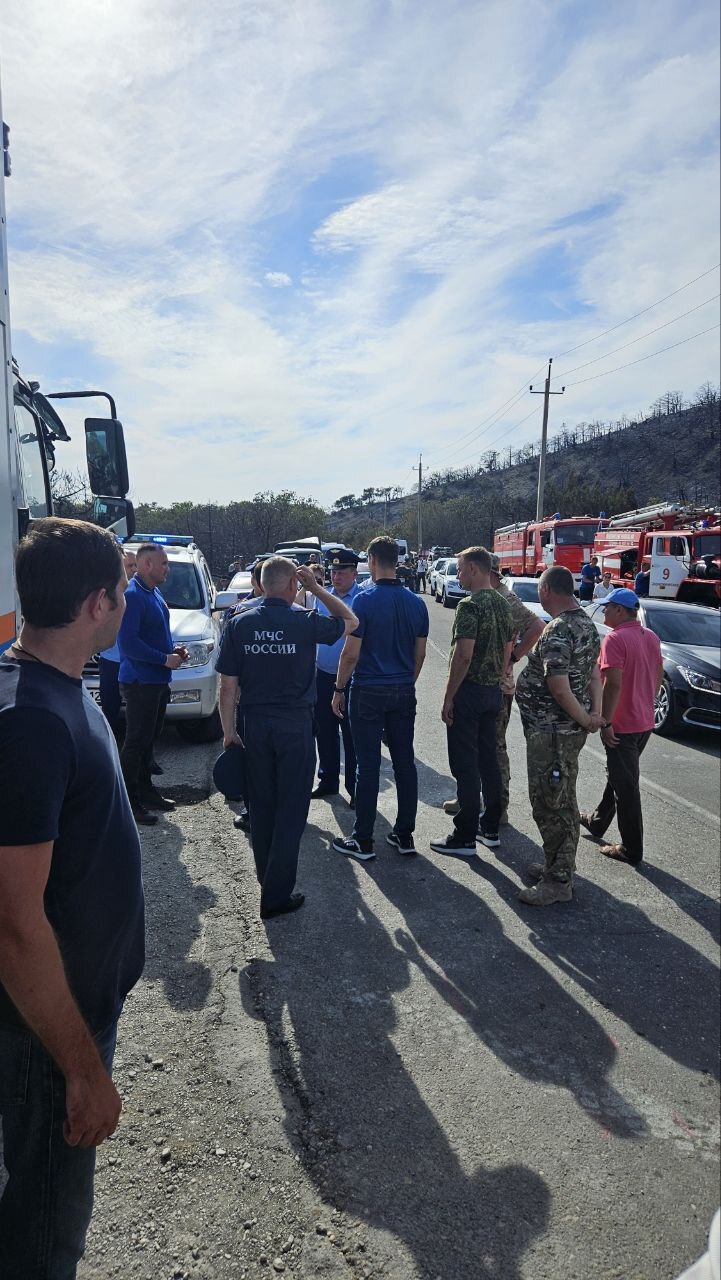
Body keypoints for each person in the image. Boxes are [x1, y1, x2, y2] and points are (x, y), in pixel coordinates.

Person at [0, 518, 144, 1279]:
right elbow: (14, 925)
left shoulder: (57, 687)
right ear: (97, 603)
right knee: (46, 1230)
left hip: (66, 1018)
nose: (125, 605)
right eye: (120, 593)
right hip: (45, 1036)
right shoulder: (28, 721)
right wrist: (83, 1071)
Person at [216, 558, 358, 918]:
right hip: (294, 725)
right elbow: (351, 622)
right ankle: (276, 895)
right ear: (294, 585)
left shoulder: (238, 621)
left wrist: (229, 732)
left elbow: (227, 686)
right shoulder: (304, 619)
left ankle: (269, 880)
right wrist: (318, 588)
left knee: (261, 806)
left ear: (261, 585)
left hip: (254, 724)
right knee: (292, 809)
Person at [330, 536, 429, 861]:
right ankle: (404, 834)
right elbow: (420, 655)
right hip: (402, 689)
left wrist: (339, 689)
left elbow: (351, 654)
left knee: (368, 766)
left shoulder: (364, 600)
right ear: (397, 561)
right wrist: (404, 683)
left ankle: (363, 840)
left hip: (369, 690)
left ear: (371, 561)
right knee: (404, 763)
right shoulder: (416, 603)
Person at [515, 565, 603, 905]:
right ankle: (558, 864)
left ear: (547, 590)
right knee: (561, 797)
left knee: (551, 803)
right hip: (563, 730)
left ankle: (558, 881)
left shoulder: (559, 630)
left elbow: (559, 687)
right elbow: (594, 673)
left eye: (540, 588)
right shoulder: (586, 625)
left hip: (553, 732)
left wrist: (587, 719)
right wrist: (593, 714)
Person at [430, 547, 514, 857]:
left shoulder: (470, 606)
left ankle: (464, 834)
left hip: (470, 692)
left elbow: (463, 655)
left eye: (462, 570)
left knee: (465, 763)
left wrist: (448, 697)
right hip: (492, 692)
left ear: (476, 570)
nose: (459, 576)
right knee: (488, 760)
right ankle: (489, 827)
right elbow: (508, 647)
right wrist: (501, 675)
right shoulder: (504, 605)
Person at [580, 588, 663, 865]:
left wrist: (606, 721)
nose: (604, 612)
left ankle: (631, 849)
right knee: (619, 775)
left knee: (626, 786)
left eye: (607, 607)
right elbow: (658, 673)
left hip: (623, 724)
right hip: (643, 721)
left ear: (619, 610)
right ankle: (597, 822)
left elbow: (612, 683)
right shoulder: (650, 636)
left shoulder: (615, 639)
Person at [118, 543, 188, 825]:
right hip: (140, 682)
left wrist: (174, 651)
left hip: (157, 681)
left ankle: (147, 792)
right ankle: (128, 803)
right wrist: (163, 658)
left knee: (148, 742)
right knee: (135, 743)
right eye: (163, 564)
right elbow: (129, 643)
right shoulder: (133, 595)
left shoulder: (153, 592)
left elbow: (153, 634)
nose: (167, 569)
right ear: (146, 565)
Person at [312, 550, 362, 804]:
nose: (336, 575)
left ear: (355, 572)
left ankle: (355, 787)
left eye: (342, 571)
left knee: (352, 735)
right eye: (333, 571)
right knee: (325, 731)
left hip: (352, 679)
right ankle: (328, 780)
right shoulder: (323, 598)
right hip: (323, 675)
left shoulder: (362, 598)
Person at [97, 546, 137, 738]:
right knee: (110, 709)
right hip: (109, 661)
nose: (134, 570)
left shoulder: (139, 594)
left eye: (135, 565)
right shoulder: (104, 594)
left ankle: (142, 756)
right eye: (130, 566)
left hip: (133, 661)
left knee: (139, 713)